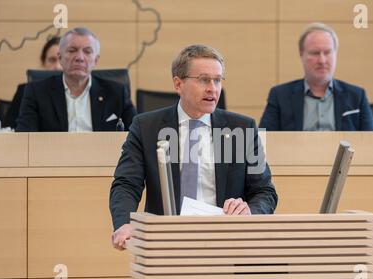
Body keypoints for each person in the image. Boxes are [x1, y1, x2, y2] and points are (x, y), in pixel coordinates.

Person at [110, 44, 278, 250]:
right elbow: (127, 183)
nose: (212, 88)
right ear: (178, 84)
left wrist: (249, 211)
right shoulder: (146, 127)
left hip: (227, 242)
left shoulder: (243, 128)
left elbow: (265, 191)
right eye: (203, 79)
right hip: (166, 243)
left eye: (217, 80)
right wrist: (125, 224)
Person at [15, 27, 136, 132]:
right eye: (72, 50)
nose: (79, 57)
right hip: (53, 157)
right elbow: (25, 138)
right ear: (60, 57)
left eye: (87, 52)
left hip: (104, 158)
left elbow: (136, 135)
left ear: (96, 60)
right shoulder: (37, 92)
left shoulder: (116, 93)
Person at [259, 22, 373, 131]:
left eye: (327, 52)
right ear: (301, 54)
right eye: (315, 53)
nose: (322, 60)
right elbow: (262, 142)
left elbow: (372, 144)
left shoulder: (357, 96)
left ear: (336, 54)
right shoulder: (280, 96)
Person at [3, 36, 62, 129]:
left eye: (62, 59)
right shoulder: (25, 91)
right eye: (52, 60)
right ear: (43, 62)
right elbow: (8, 129)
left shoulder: (76, 94)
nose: (58, 66)